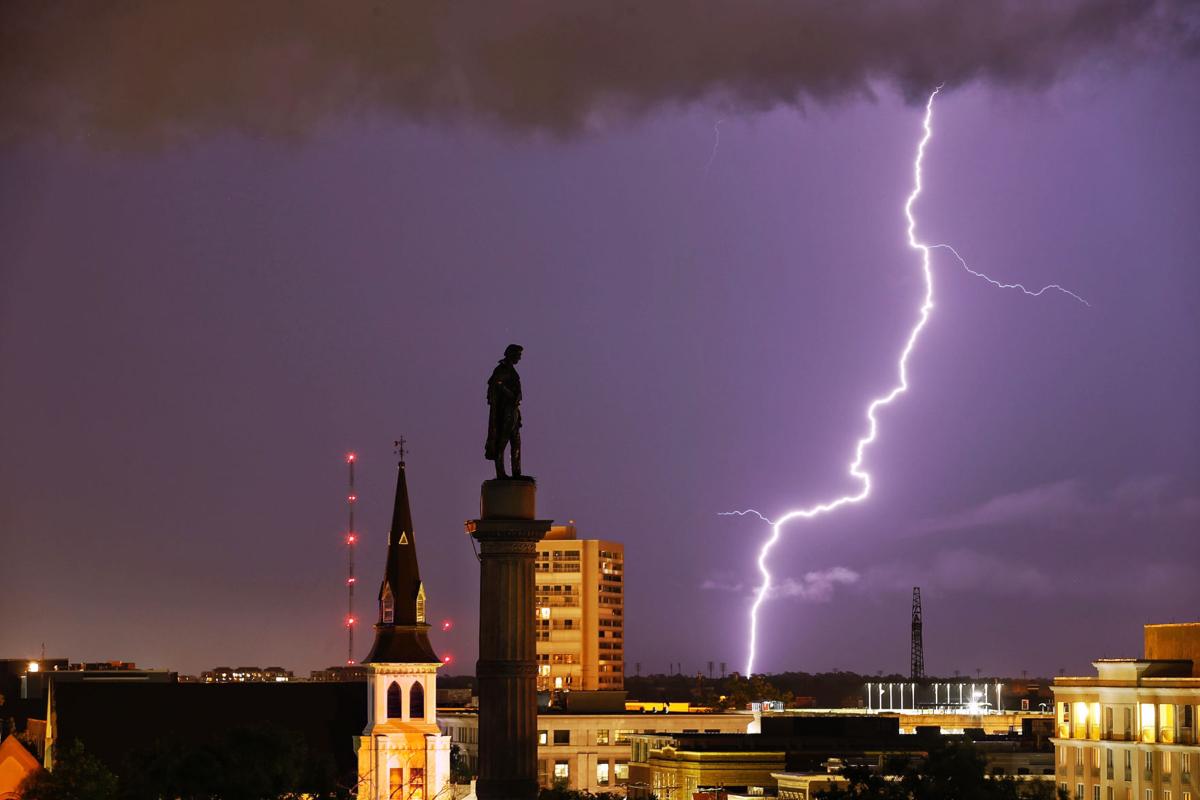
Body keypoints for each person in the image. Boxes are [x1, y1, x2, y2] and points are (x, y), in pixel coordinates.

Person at [485, 344, 523, 478]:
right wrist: (511, 394)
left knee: (516, 442)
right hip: (505, 411)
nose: (519, 358)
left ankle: (516, 472)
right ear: (511, 354)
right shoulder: (501, 369)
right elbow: (497, 384)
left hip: (513, 411)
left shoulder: (511, 370)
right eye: (518, 354)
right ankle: (500, 472)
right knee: (502, 441)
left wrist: (516, 396)